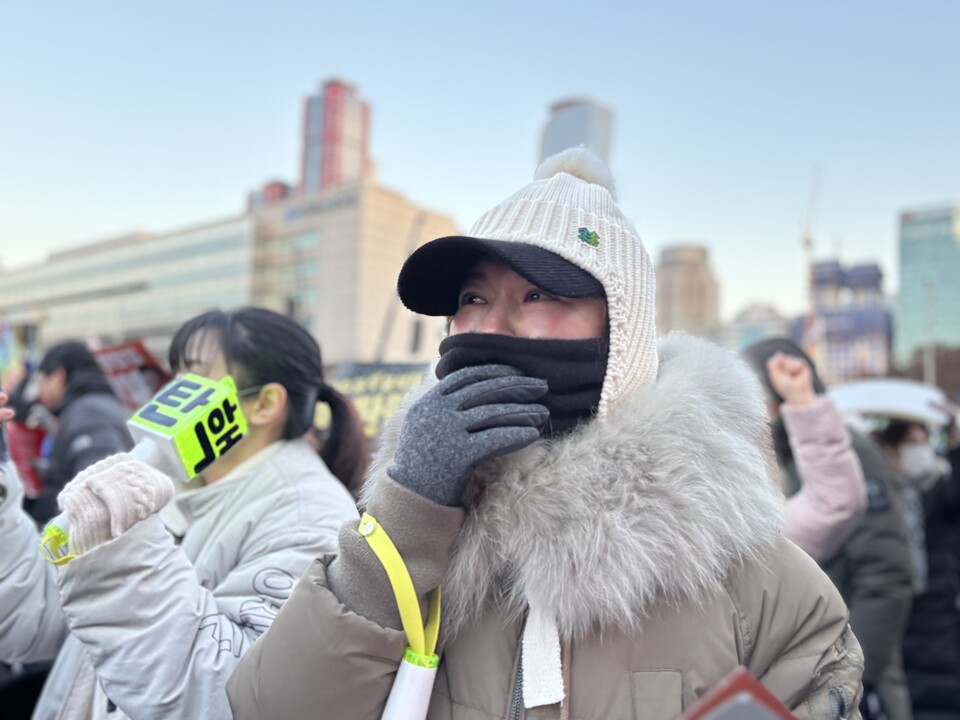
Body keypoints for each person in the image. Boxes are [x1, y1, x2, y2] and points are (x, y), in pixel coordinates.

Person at [227, 148, 863, 719]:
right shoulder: (415, 533)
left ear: (621, 330)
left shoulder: (747, 577)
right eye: (472, 298)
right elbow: (272, 708)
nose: (492, 325)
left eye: (537, 296)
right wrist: (406, 512)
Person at [0, 307, 363, 720]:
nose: (172, 392)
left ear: (264, 404)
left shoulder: (309, 516)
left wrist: (123, 548)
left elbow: (229, 696)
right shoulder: (168, 481)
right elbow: (38, 620)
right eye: (176, 376)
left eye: (195, 374)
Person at [743, 338, 914, 720]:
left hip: (849, 666)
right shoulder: (765, 457)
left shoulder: (846, 450)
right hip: (796, 674)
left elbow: (886, 574)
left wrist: (853, 675)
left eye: (759, 399)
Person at [875, 419, 960, 720]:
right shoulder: (879, 494)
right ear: (893, 448)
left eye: (924, 442)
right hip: (900, 615)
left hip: (939, 613)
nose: (920, 451)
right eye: (911, 443)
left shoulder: (942, 485)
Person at [30, 341, 134, 525]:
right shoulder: (105, 405)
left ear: (59, 376)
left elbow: (98, 492)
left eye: (41, 380)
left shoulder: (87, 414)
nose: (39, 390)